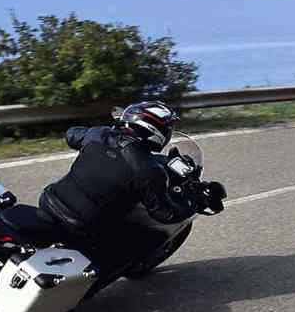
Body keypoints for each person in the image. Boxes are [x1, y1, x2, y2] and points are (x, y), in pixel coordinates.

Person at [39, 102, 225, 260]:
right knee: (144, 240)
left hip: (50, 200)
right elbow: (165, 214)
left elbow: (72, 133)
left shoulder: (98, 135)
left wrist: (106, 132)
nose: (169, 132)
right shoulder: (148, 171)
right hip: (83, 224)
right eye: (168, 128)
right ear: (155, 130)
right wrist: (194, 203)